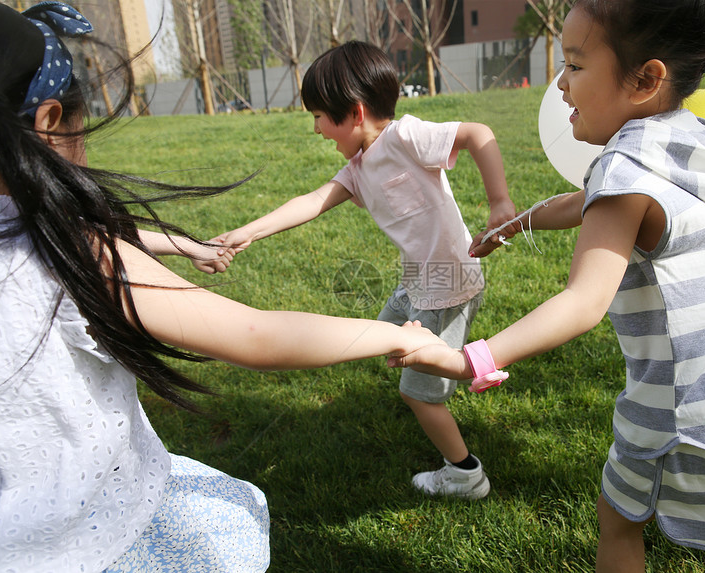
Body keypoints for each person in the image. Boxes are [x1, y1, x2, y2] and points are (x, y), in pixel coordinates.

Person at [0, 3, 445, 572]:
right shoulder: (70, 253)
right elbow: (258, 335)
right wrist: (399, 337)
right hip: (96, 536)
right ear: (51, 121)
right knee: (231, 523)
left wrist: (189, 246)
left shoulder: (62, 243)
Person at [390, 0, 705, 571]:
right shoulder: (681, 138)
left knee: (623, 521)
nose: (560, 82)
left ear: (646, 79)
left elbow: (582, 302)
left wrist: (469, 359)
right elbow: (588, 204)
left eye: (575, 66)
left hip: (686, 416)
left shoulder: (624, 172)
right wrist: (518, 222)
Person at [206, 41, 517, 500]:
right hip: (417, 284)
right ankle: (455, 368)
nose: (315, 129)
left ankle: (465, 472)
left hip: (446, 288)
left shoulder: (404, 138)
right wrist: (247, 232)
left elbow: (477, 132)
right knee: (380, 334)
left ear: (354, 113)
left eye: (318, 116)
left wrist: (500, 202)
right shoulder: (357, 168)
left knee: (416, 393)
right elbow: (311, 202)